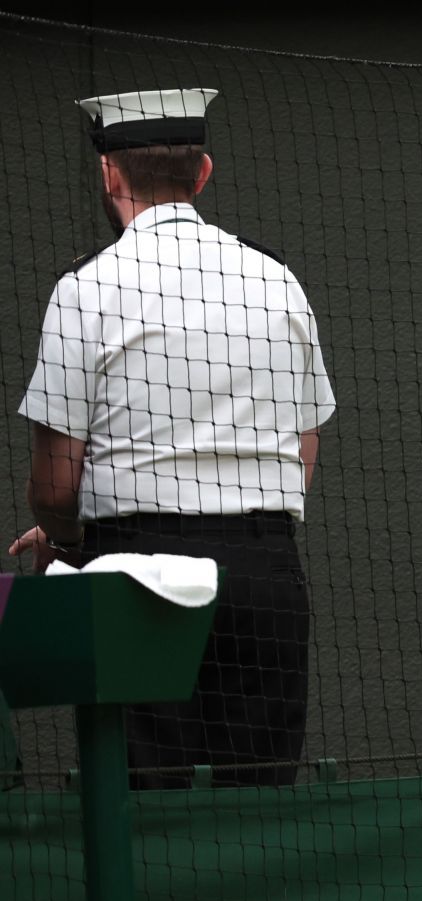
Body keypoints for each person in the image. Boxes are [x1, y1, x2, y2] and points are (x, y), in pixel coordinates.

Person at [11, 88, 335, 789]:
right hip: (263, 579)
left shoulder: (85, 289)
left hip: (134, 583)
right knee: (262, 819)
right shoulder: (278, 281)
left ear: (109, 174)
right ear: (204, 172)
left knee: (145, 817)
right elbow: (303, 443)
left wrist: (71, 534)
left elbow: (56, 484)